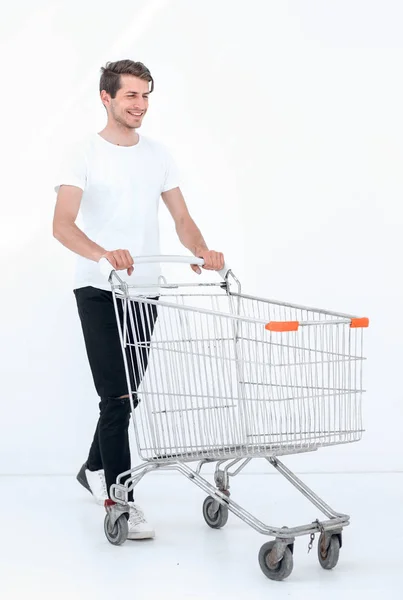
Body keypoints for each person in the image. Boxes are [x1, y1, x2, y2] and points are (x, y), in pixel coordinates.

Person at [52, 59, 225, 540]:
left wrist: (201, 251)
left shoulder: (159, 154)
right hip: (99, 287)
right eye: (131, 95)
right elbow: (62, 224)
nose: (140, 105)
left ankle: (92, 466)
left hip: (146, 289)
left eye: (146, 96)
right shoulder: (81, 153)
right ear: (106, 98)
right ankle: (120, 497)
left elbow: (182, 218)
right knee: (117, 395)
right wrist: (103, 254)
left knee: (126, 396)